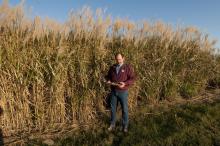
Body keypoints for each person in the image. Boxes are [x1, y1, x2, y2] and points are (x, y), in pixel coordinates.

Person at [105, 53, 136, 133]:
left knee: (124, 109)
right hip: (113, 92)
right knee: (112, 109)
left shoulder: (127, 67)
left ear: (123, 58)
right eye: (117, 59)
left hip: (123, 92)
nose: (118, 61)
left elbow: (132, 78)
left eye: (119, 59)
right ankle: (112, 124)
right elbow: (108, 76)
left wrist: (125, 83)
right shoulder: (112, 67)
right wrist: (108, 80)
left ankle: (125, 126)